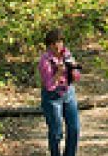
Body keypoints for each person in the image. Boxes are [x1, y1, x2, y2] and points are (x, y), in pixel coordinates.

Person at [39, 28, 81, 156]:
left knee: (74, 128)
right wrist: (58, 72)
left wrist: (72, 70)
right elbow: (49, 85)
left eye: (60, 42)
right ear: (49, 45)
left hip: (68, 93)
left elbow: (77, 77)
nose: (58, 46)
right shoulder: (45, 61)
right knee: (56, 132)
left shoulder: (67, 54)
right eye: (54, 43)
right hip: (52, 98)